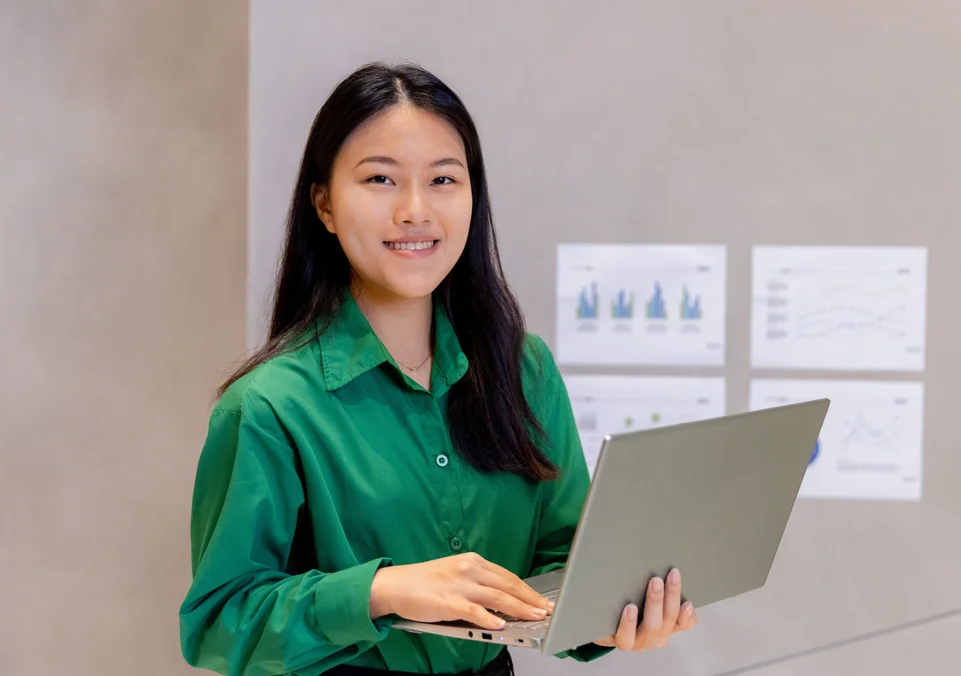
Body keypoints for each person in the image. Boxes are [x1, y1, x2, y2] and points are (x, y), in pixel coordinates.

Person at [178, 62, 698, 676]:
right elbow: (218, 620)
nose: (415, 211)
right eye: (380, 179)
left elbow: (562, 561)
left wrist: (619, 613)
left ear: (472, 196)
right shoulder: (268, 407)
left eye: (444, 180)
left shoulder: (523, 368)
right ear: (323, 203)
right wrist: (384, 591)